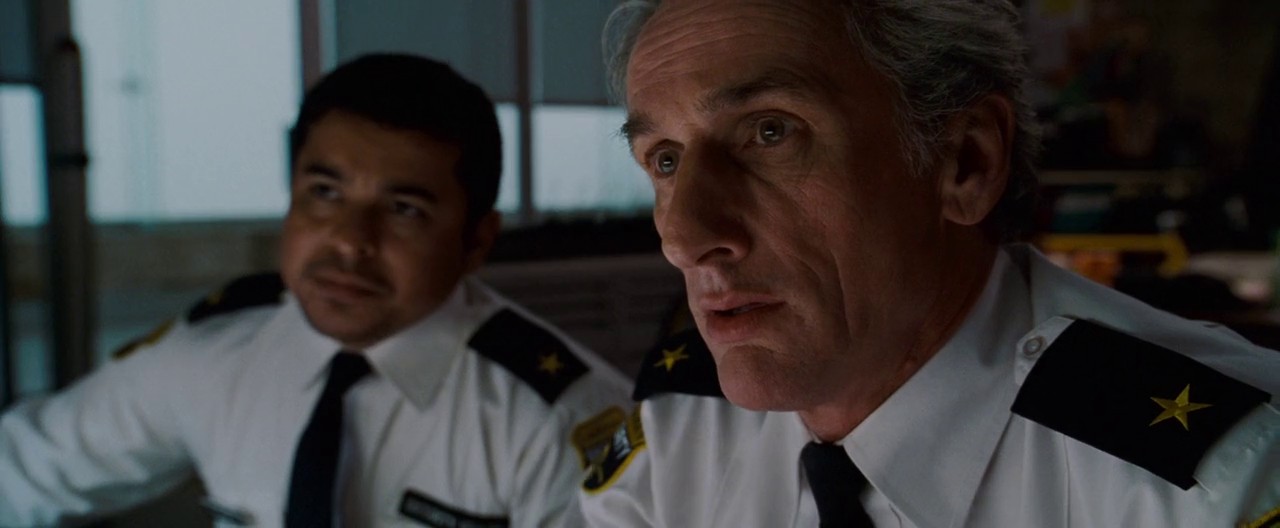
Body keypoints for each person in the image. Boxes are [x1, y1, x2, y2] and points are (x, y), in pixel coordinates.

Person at [573, 1, 1280, 526]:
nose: (685, 237)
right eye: (665, 160)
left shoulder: (1215, 487)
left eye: (770, 131)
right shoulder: (675, 448)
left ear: (965, 162)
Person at [0, 53, 631, 527]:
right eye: (324, 193)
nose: (350, 241)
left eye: (404, 209)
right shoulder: (218, 352)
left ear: (476, 242)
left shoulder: (558, 420)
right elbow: (26, 470)